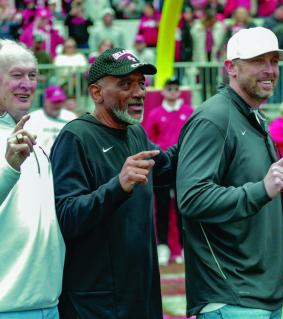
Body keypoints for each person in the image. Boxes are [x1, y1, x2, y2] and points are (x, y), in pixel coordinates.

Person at [176, 27, 283, 318]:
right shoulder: (214, 117)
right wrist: (262, 189)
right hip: (232, 296)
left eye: (274, 61)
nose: (269, 70)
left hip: (260, 294)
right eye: (258, 61)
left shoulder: (252, 115)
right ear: (231, 67)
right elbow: (192, 198)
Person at [50, 48, 177, 319]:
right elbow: (67, 217)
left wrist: (205, 130)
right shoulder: (75, 137)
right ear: (97, 93)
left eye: (141, 84)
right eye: (125, 84)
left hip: (141, 297)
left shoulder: (136, 132)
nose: (139, 92)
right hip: (96, 304)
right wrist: (118, 185)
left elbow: (167, 165)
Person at [0, 39, 65, 317]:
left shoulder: (34, 135)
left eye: (32, 75)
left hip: (49, 303)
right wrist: (9, 169)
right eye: (16, 75)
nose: (27, 83)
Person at [144, 76, 194, 265]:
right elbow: (149, 138)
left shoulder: (188, 112)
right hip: (162, 167)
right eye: (169, 88)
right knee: (162, 207)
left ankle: (183, 247)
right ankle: (163, 246)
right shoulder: (156, 113)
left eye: (175, 88)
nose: (173, 91)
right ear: (163, 91)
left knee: (184, 206)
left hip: (184, 166)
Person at [24, 85, 76, 156]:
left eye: (59, 101)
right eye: (54, 101)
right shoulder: (32, 119)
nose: (56, 105)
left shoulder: (71, 118)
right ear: (45, 100)